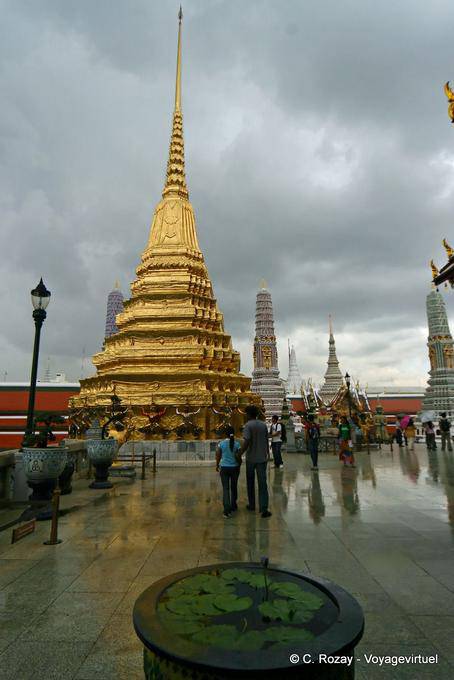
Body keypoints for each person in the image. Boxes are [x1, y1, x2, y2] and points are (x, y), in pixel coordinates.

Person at [237, 405, 272, 518]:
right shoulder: (263, 424)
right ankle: (264, 507)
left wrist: (240, 453)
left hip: (251, 458)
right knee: (262, 483)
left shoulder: (248, 425)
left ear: (248, 414)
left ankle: (252, 504)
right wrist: (267, 453)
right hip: (262, 457)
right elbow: (266, 440)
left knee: (250, 482)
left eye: (246, 414)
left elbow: (247, 441)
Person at [215, 426, 241, 519]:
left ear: (225, 434)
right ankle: (233, 505)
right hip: (234, 468)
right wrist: (239, 464)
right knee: (234, 487)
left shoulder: (221, 444)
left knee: (226, 488)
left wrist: (217, 465)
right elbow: (239, 456)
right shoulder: (237, 444)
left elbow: (218, 455)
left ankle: (226, 510)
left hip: (224, 468)